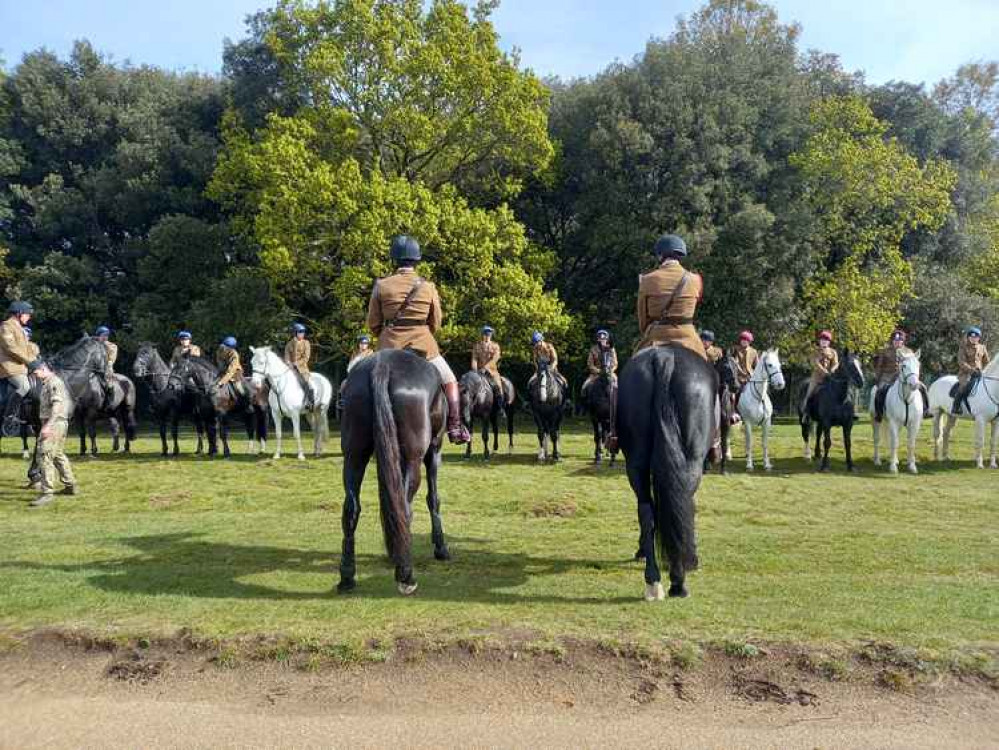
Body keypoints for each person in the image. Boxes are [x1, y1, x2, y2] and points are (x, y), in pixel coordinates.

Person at [366, 234, 470, 444]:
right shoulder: (428, 287)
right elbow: (436, 322)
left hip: (389, 346)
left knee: (359, 381)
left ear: (394, 259)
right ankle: (455, 426)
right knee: (450, 380)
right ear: (416, 259)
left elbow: (373, 323)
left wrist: (386, 335)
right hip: (423, 346)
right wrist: (422, 334)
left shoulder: (382, 285)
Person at [635, 234, 705, 357]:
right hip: (687, 335)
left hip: (656, 335)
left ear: (660, 255)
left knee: (632, 369)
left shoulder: (647, 279)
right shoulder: (696, 279)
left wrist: (648, 331)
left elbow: (643, 318)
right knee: (708, 369)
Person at [27, 359, 76, 508]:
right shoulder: (48, 383)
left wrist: (48, 426)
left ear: (43, 369)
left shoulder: (53, 383)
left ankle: (47, 493)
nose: (34, 376)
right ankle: (70, 485)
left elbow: (56, 405)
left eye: (35, 373)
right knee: (58, 454)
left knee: (44, 456)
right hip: (57, 423)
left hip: (54, 423)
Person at [1, 301, 35, 437]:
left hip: (20, 365)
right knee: (24, 386)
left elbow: (27, 349)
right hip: (9, 366)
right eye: (27, 314)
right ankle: (9, 416)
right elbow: (11, 348)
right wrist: (29, 362)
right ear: (19, 313)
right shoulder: (6, 326)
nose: (29, 317)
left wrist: (37, 363)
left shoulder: (19, 328)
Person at [872, 329, 913, 422]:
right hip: (887, 377)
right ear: (892, 341)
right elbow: (879, 366)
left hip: (903, 376)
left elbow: (913, 364)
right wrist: (878, 379)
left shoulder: (908, 352)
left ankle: (925, 410)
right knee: (879, 392)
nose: (897, 342)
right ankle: (879, 414)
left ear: (903, 341)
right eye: (895, 340)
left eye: (900, 340)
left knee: (921, 388)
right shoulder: (885, 351)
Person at [953, 326, 989, 415]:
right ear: (968, 337)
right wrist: (972, 370)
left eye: (976, 337)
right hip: (966, 374)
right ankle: (956, 407)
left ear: (979, 338)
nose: (973, 339)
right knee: (964, 386)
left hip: (980, 373)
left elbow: (986, 361)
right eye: (971, 337)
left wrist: (985, 370)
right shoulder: (963, 347)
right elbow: (961, 362)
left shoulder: (982, 347)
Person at [471, 325, 506, 415]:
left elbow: (495, 358)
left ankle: (500, 407)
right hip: (479, 371)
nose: (487, 336)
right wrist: (474, 370)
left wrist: (486, 367)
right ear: (482, 335)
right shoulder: (477, 346)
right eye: (485, 334)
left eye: (489, 334)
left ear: (491, 335)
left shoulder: (495, 346)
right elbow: (474, 359)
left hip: (491, 371)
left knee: (498, 385)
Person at [802, 330, 839, 409]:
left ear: (829, 342)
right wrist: (823, 371)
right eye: (822, 340)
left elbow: (836, 363)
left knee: (841, 389)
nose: (824, 342)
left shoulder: (833, 352)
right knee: (810, 393)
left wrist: (832, 369)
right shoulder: (815, 351)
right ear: (819, 341)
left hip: (831, 376)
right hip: (817, 377)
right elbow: (815, 363)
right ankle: (805, 411)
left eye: (826, 340)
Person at [581, 330, 618, 401]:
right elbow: (590, 364)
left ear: (607, 339)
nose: (602, 340)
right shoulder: (593, 349)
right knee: (584, 386)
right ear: (598, 339)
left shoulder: (611, 349)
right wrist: (598, 371)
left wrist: (610, 371)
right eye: (601, 339)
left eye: (604, 339)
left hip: (609, 373)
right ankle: (584, 405)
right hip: (596, 373)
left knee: (618, 384)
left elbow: (615, 363)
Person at [284, 323, 315, 408]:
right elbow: (286, 357)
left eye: (303, 332)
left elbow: (306, 357)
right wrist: (288, 363)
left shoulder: (306, 343)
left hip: (302, 369)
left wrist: (296, 363)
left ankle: (310, 402)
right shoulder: (289, 344)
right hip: (291, 369)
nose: (302, 334)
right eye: (300, 332)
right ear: (295, 333)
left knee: (308, 384)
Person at [215, 336, 247, 402]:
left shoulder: (235, 355)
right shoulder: (219, 351)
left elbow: (231, 371)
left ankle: (246, 402)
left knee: (238, 388)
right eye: (224, 345)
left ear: (231, 348)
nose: (223, 347)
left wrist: (222, 382)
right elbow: (219, 363)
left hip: (235, 373)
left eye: (226, 346)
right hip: (223, 370)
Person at [94, 325, 117, 407]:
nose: (105, 337)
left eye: (106, 335)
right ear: (98, 336)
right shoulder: (94, 345)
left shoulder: (112, 346)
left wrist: (109, 364)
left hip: (105, 367)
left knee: (108, 377)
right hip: (93, 367)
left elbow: (112, 358)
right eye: (103, 335)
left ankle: (109, 399)